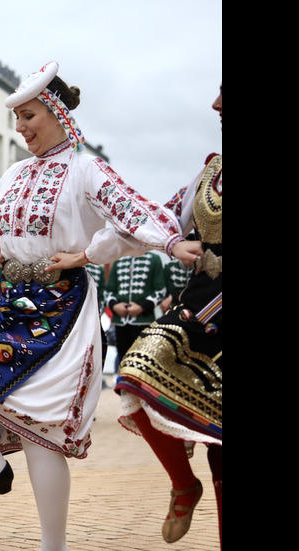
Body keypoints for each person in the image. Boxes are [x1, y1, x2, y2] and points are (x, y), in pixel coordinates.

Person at [0, 62, 189, 551]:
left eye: (30, 116)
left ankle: (51, 545)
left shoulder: (85, 168)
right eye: (17, 120)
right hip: (7, 301)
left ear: (58, 113)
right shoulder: (15, 174)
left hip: (61, 305)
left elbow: (130, 214)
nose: (22, 129)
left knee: (41, 430)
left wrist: (163, 242)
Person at [116, 86, 222, 546]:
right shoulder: (209, 173)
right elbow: (157, 218)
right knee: (135, 373)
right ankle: (184, 482)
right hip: (200, 311)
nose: (216, 106)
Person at [105, 252, 167, 371]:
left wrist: (142, 307)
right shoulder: (118, 260)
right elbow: (109, 291)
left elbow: (160, 290)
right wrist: (114, 305)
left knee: (142, 361)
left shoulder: (154, 259)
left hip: (144, 320)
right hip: (120, 321)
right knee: (123, 360)